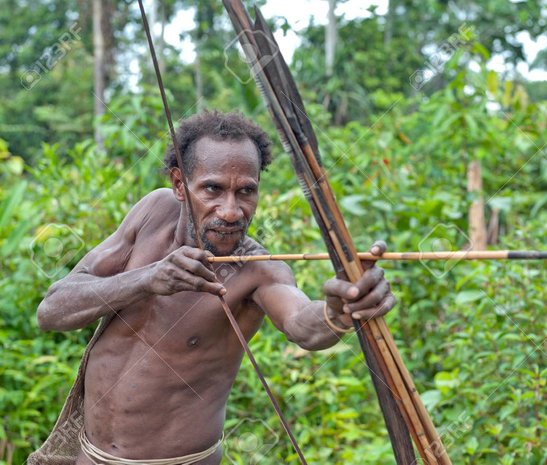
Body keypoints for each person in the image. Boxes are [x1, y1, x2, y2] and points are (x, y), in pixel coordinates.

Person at [30, 111, 396, 465]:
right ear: (178, 185)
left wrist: (339, 309)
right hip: (91, 457)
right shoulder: (153, 215)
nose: (231, 211)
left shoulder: (258, 271)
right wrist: (148, 279)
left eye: (246, 192)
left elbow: (303, 324)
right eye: (213, 189)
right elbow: (52, 310)